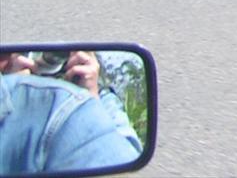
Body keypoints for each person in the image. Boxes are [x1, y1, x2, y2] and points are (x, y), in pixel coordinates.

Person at [0, 52, 142, 174]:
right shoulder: (14, 89)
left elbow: (128, 163)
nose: (52, 60)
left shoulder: (103, 101)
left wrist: (89, 97)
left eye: (63, 54)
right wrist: (16, 89)